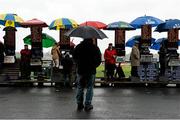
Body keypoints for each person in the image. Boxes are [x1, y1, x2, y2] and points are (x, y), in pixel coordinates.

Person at [73, 38, 101, 111]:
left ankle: (79, 103)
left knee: (80, 87)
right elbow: (99, 59)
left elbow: (74, 57)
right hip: (91, 71)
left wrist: (79, 64)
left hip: (81, 70)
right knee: (90, 87)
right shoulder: (95, 48)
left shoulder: (78, 47)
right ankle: (87, 104)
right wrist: (94, 65)